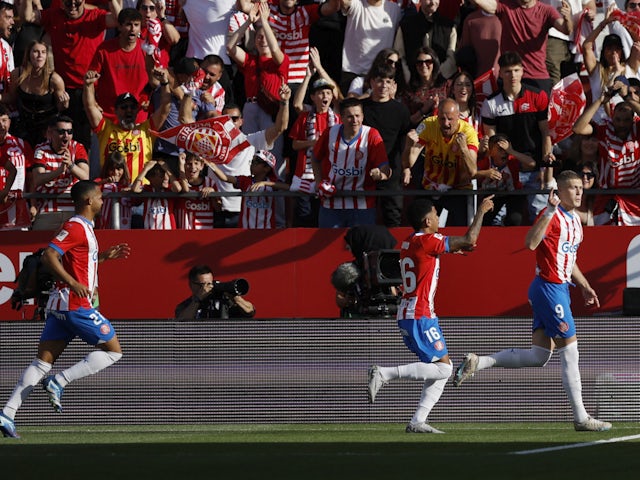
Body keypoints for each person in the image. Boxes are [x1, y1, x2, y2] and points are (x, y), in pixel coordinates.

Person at [453, 171, 612, 433]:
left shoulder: (575, 222)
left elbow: (569, 260)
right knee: (570, 352)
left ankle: (478, 362)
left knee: (539, 356)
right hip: (549, 288)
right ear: (559, 191)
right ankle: (581, 417)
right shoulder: (552, 215)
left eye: (580, 188)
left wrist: (584, 286)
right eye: (572, 188)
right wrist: (549, 211)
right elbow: (530, 243)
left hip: (557, 289)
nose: (578, 192)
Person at [0, 180, 130, 439]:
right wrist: (72, 282)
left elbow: (79, 262)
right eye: (100, 197)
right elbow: (49, 255)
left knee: (41, 363)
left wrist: (103, 257)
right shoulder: (76, 226)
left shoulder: (86, 228)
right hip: (74, 303)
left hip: (59, 305)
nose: (103, 202)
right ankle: (60, 381)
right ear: (88, 201)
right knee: (114, 351)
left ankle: (7, 413)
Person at [367, 194, 495, 434]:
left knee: (440, 368)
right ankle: (384, 374)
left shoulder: (409, 242)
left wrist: (448, 250)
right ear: (427, 220)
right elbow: (470, 239)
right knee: (444, 369)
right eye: (436, 215)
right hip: (419, 314)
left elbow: (427, 256)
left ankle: (418, 421)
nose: (438, 218)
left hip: (413, 312)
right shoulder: (428, 240)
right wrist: (481, 212)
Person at [20, 0, 124, 150]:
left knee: (91, 141)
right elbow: (28, 16)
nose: (73, 6)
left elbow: (119, 20)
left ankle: (88, 172)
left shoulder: (95, 16)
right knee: (66, 141)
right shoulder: (54, 15)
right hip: (65, 91)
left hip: (92, 91)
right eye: (68, 3)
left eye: (77, 2)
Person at [481, 51, 553, 223]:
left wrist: (545, 168)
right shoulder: (491, 103)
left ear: (522, 71)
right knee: (504, 220)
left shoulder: (538, 96)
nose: (512, 75)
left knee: (540, 220)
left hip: (534, 170)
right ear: (500, 73)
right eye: (507, 71)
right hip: (507, 171)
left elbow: (545, 133)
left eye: (515, 70)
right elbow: (492, 141)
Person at [312, 97, 391, 228]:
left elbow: (385, 169)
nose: (355, 120)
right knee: (328, 245)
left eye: (357, 116)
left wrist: (380, 174)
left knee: (363, 246)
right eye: (349, 117)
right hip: (331, 203)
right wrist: (319, 182)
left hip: (362, 204)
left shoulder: (372, 135)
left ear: (363, 116)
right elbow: (315, 159)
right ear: (341, 117)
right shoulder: (330, 133)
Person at [83, 67, 172, 181]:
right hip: (112, 191)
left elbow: (166, 108)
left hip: (139, 191)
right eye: (124, 107)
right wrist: (88, 85)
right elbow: (89, 107)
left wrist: (164, 82)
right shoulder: (105, 128)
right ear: (115, 111)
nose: (129, 110)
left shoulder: (146, 129)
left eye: (133, 107)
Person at [401, 97, 479, 226]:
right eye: (442, 119)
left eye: (450, 119)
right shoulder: (427, 125)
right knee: (420, 225)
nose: (446, 123)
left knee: (459, 231)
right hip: (431, 185)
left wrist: (464, 148)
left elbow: (472, 171)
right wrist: (408, 145)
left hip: (457, 188)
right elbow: (408, 163)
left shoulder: (468, 132)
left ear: (458, 117)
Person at [471, 0, 573, 94]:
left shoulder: (546, 10)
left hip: (536, 75)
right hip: (510, 76)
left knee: (541, 113)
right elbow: (488, 5)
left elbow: (565, 30)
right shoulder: (506, 6)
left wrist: (567, 18)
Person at [362, 64, 411, 228]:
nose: (384, 85)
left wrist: (406, 168)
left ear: (393, 85)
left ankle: (394, 254)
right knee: (365, 217)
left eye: (388, 81)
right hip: (364, 171)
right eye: (380, 81)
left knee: (393, 218)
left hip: (393, 172)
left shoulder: (401, 110)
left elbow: (405, 140)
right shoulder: (362, 108)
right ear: (371, 83)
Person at [5, 40, 69, 149]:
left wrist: (65, 103)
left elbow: (60, 108)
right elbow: (11, 97)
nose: (40, 56)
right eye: (36, 52)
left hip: (46, 126)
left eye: (43, 52)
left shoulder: (55, 79)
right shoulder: (17, 74)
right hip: (24, 123)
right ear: (28, 54)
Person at [31, 115, 90, 231]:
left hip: (73, 210)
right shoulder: (41, 150)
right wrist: (59, 171)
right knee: (38, 245)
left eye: (69, 132)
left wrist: (71, 165)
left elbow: (85, 176)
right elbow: (37, 179)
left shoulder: (77, 147)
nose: (66, 136)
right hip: (48, 210)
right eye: (61, 132)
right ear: (50, 132)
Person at [207, 149, 290, 229]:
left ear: (267, 168)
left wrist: (264, 183)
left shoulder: (272, 182)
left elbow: (289, 187)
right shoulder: (246, 181)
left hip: (266, 229)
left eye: (256, 162)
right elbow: (225, 178)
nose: (252, 164)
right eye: (252, 161)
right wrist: (213, 166)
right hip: (245, 229)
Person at [339, 0, 402, 95]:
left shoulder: (394, 10)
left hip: (382, 76)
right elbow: (344, 2)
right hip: (353, 71)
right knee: (350, 108)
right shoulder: (357, 4)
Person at [475, 133, 535, 226]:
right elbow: (469, 175)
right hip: (492, 195)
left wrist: (511, 151)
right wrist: (485, 173)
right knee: (485, 220)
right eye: (500, 149)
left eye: (506, 150)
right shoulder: (486, 162)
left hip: (513, 193)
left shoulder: (512, 160)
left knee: (515, 219)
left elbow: (532, 164)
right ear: (490, 151)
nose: (505, 153)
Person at [393, 0, 457, 82]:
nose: (433, 2)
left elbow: (452, 57)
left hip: (441, 82)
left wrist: (436, 76)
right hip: (412, 83)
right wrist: (409, 76)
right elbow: (399, 55)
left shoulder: (448, 26)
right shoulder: (406, 25)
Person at [174, 264, 255, 319]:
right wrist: (198, 299)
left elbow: (250, 311)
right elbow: (181, 322)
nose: (207, 288)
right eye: (203, 285)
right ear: (191, 284)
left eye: (210, 283)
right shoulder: (186, 305)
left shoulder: (224, 301)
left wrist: (235, 297)